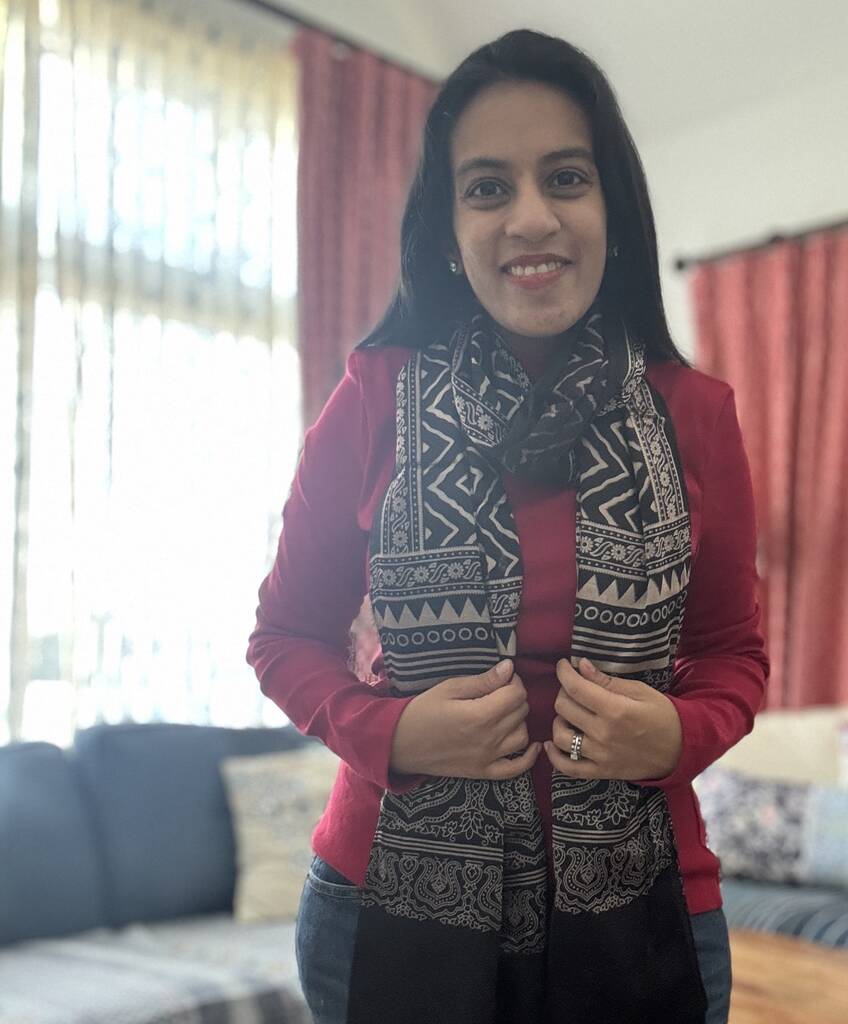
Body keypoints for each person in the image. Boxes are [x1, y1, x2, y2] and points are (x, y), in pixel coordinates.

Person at [246, 28, 768, 1024]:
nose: (531, 217)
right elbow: (284, 639)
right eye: (487, 188)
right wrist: (393, 731)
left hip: (645, 909)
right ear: (448, 229)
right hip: (384, 906)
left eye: (565, 178)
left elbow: (732, 656)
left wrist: (673, 732)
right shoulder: (373, 398)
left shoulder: (695, 414)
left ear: (614, 209)